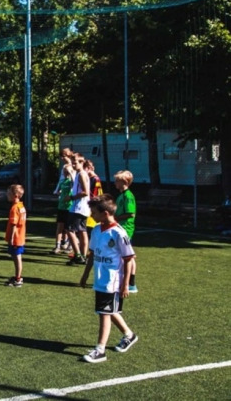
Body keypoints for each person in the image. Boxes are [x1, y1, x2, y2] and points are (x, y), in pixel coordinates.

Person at [79, 194, 138, 363]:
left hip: (112, 281)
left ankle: (100, 350)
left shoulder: (119, 233)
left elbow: (128, 259)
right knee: (109, 311)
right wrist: (85, 274)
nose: (91, 215)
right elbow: (92, 254)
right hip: (100, 279)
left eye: (94, 213)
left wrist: (125, 284)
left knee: (104, 313)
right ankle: (129, 335)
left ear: (105, 213)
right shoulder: (96, 230)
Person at [114, 170, 138, 293]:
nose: (115, 183)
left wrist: (116, 219)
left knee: (128, 256)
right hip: (120, 227)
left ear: (124, 182)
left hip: (126, 229)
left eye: (117, 181)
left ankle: (131, 283)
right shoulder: (121, 195)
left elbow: (131, 213)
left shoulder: (128, 196)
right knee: (126, 255)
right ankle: (127, 281)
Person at [66, 154, 90, 266]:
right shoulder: (80, 174)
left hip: (78, 208)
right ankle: (83, 256)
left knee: (69, 230)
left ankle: (78, 255)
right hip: (83, 208)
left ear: (82, 163)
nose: (73, 165)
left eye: (75, 163)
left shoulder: (81, 174)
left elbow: (85, 192)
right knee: (82, 231)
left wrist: (71, 197)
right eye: (72, 163)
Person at [4, 184, 26, 287]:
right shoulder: (21, 206)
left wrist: (11, 238)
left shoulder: (14, 208)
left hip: (16, 237)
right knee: (17, 257)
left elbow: (14, 224)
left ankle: (18, 279)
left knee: (17, 257)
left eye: (9, 193)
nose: (7, 195)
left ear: (15, 195)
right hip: (20, 236)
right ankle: (17, 276)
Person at [51, 164, 75, 254]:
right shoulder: (62, 181)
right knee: (59, 227)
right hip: (61, 207)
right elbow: (57, 191)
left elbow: (74, 185)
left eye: (66, 171)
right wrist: (59, 192)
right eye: (64, 171)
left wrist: (71, 173)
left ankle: (70, 245)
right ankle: (57, 246)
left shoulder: (72, 181)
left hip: (69, 207)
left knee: (69, 228)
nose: (65, 173)